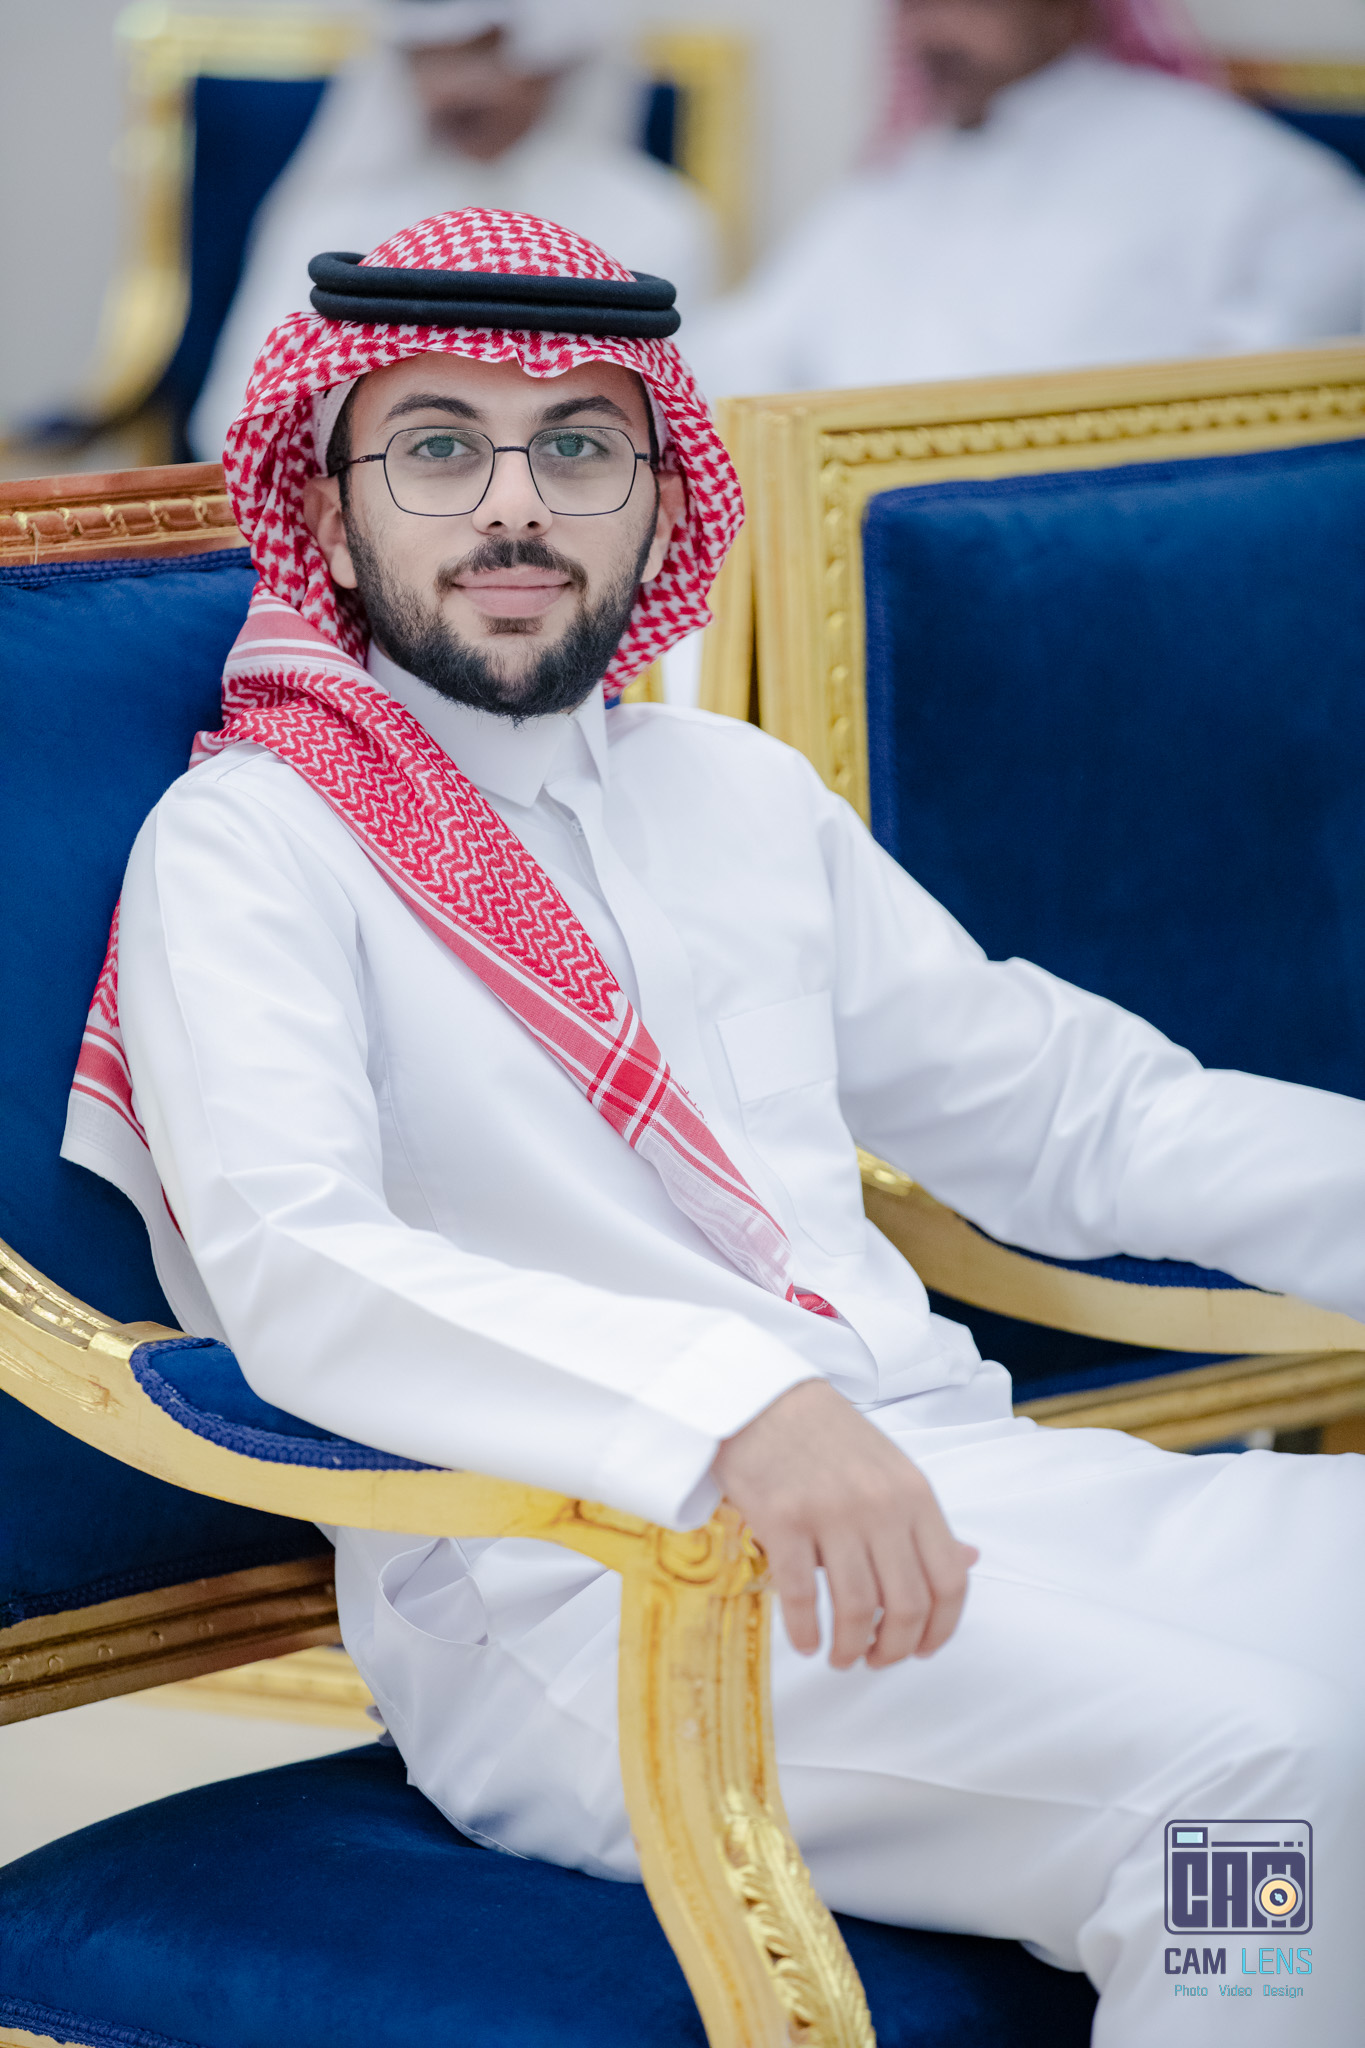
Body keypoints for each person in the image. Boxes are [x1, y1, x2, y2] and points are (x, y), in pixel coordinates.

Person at [66, 210, 1363, 2046]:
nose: (513, 506)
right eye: (435, 447)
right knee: (1262, 1785)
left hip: (947, 1486)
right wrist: (731, 1405)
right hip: (584, 1598)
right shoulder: (254, 844)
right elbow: (303, 1266)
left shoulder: (737, 794)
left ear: (660, 500)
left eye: (577, 447)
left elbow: (1078, 1113)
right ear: (332, 513)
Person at [686, 0, 1365, 398]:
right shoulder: (907, 174)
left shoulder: (1249, 178)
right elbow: (748, 352)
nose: (932, 33)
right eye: (915, 4)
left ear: (1069, 8)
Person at [188, 0, 717, 460]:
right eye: (426, 58)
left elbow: (683, 421)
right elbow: (241, 412)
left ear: (558, 59)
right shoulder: (335, 217)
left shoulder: (656, 221)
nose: (449, 90)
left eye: (481, 52)